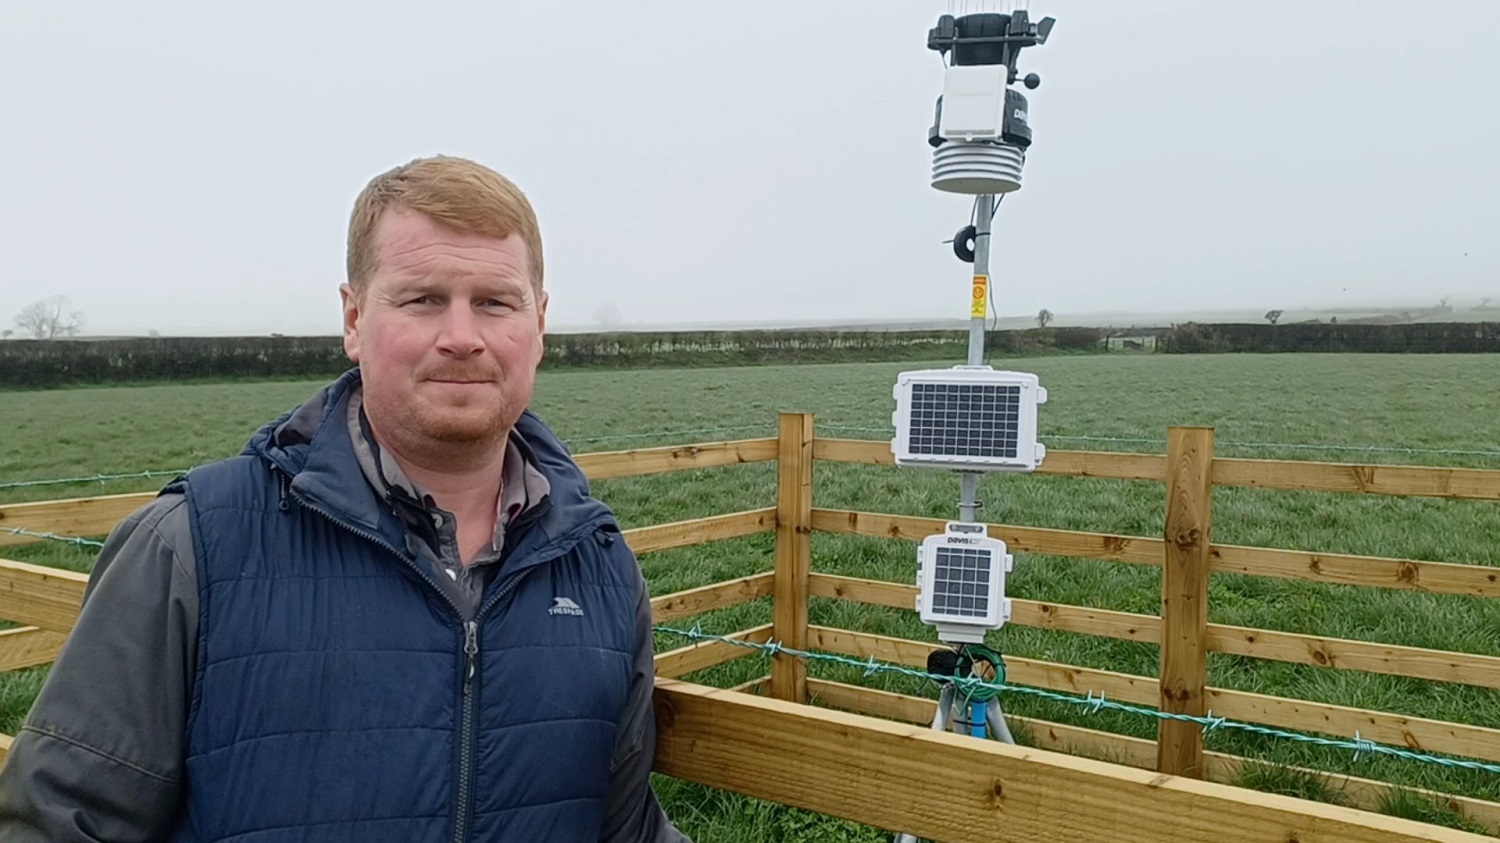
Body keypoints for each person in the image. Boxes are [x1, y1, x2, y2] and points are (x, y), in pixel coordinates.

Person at [0, 155, 692, 843]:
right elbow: (61, 823)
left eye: (494, 301)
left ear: (537, 324)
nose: (461, 336)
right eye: (423, 298)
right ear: (354, 318)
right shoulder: (191, 547)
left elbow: (623, 829)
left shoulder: (598, 569)